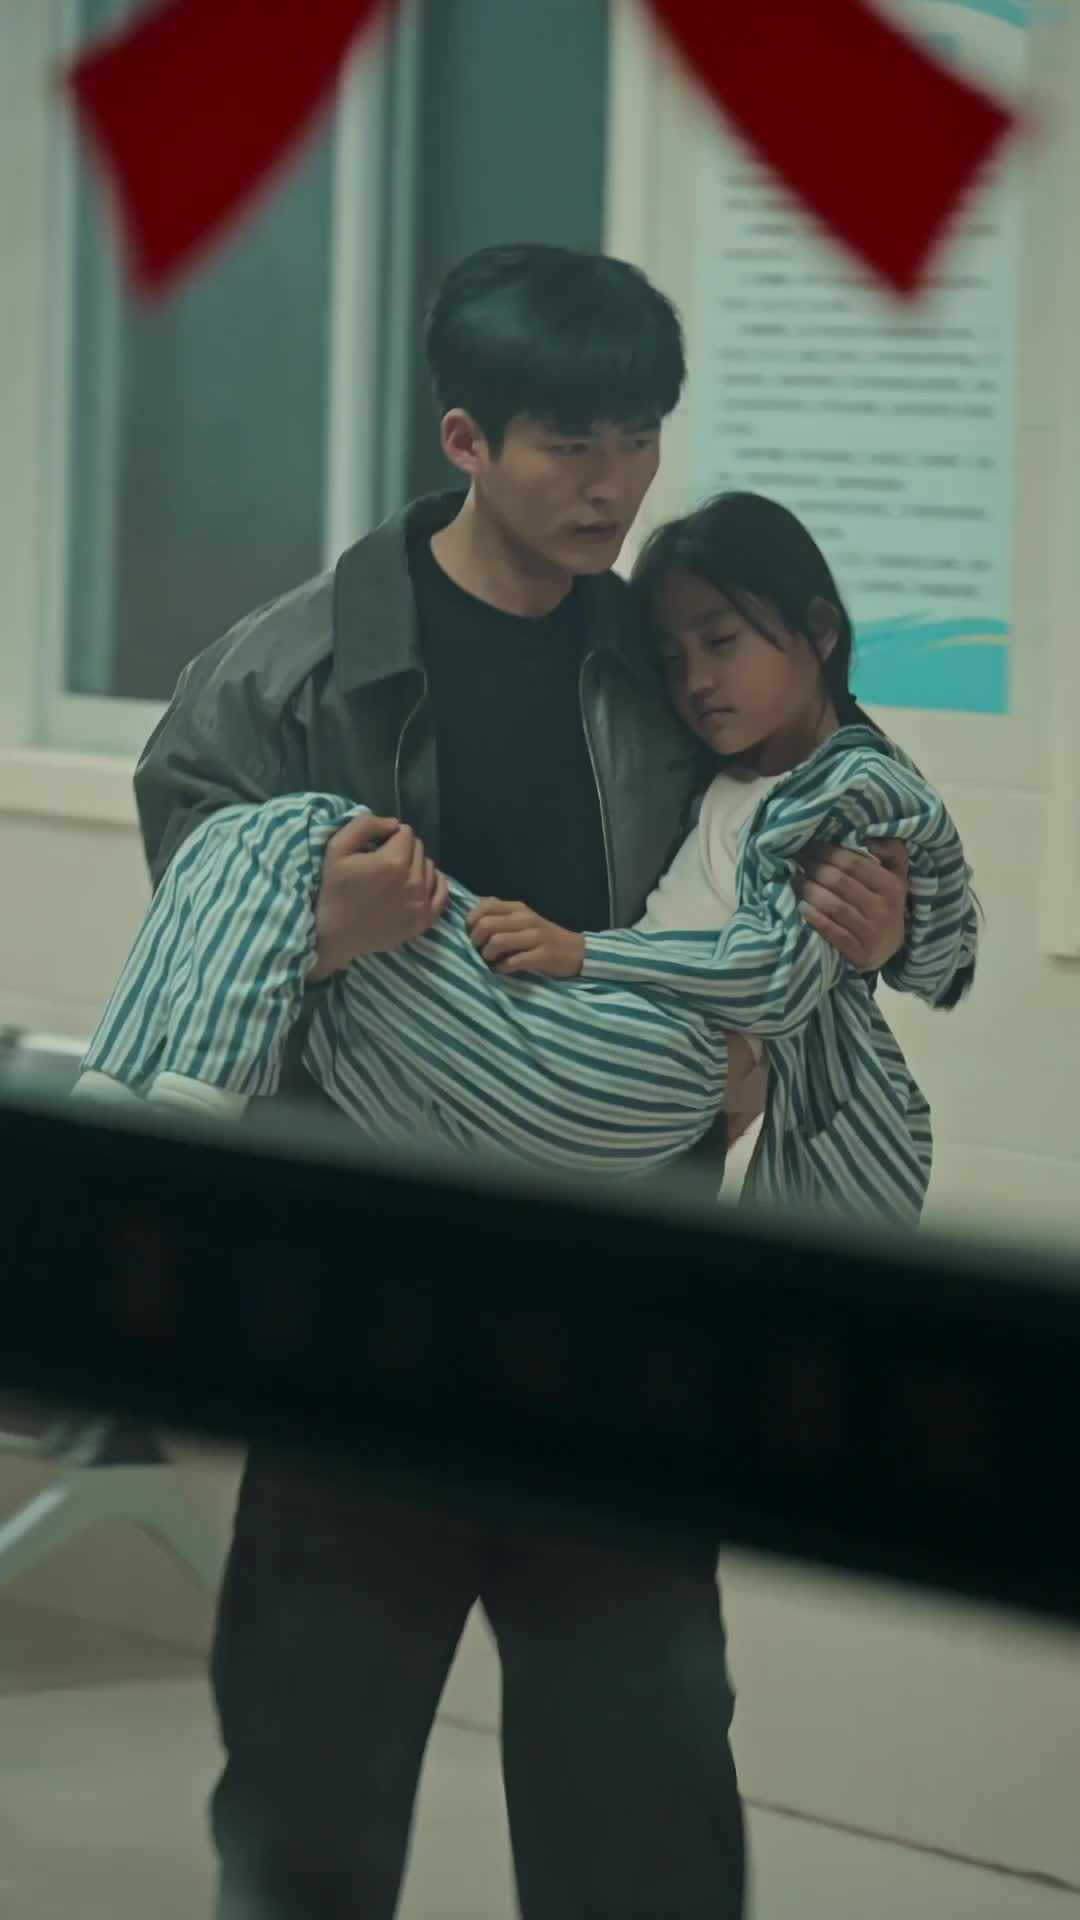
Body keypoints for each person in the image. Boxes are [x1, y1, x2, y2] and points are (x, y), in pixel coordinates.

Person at [126, 246, 914, 1920]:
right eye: (572, 444)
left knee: (645, 1814)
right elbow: (195, 948)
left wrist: (870, 927)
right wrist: (322, 933)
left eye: (640, 439)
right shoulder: (283, 674)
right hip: (353, 1319)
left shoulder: (676, 659)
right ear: (467, 440)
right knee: (308, 1811)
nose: (615, 484)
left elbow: (820, 812)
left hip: (621, 1321)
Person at [77, 495, 976, 1218]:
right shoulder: (732, 760)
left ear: (820, 634)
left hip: (648, 1057)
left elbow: (780, 976)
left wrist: (583, 952)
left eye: (722, 642)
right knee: (270, 878)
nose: (696, 680)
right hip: (591, 1051)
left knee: (299, 833)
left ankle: (148, 1116)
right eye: (673, 656)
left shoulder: (848, 785)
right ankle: (132, 1104)